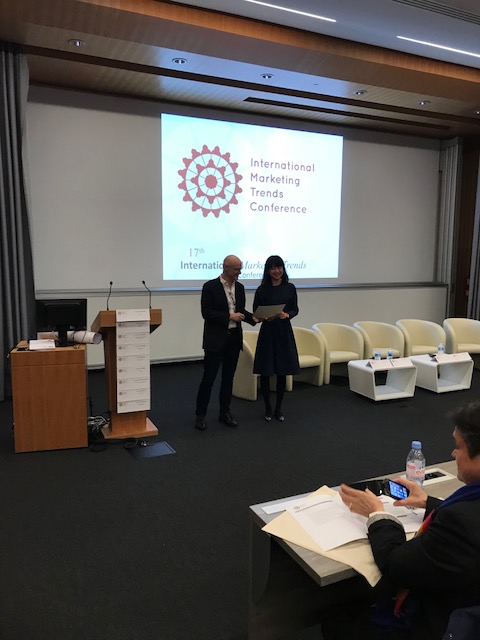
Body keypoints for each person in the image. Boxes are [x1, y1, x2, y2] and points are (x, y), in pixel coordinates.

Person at [330, 401, 480, 640]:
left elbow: (395, 565)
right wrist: (429, 503)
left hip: (440, 623)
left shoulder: (458, 523)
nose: (453, 454)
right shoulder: (467, 510)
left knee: (340, 618)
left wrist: (377, 514)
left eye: (458, 447)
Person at [194, 255, 256, 431]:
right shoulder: (210, 287)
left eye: (240, 269)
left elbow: (241, 311)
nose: (239, 272)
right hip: (215, 339)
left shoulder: (240, 287)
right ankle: (200, 415)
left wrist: (254, 318)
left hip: (234, 338)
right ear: (225, 267)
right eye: (236, 269)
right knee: (209, 378)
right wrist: (229, 316)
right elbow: (207, 313)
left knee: (228, 378)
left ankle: (225, 412)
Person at [253, 255, 300, 422]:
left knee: (282, 371)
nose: (276, 271)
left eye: (279, 267)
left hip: (283, 331)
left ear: (283, 269)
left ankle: (278, 408)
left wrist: (287, 315)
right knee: (266, 371)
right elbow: (256, 312)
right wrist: (264, 317)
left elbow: (295, 309)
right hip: (268, 331)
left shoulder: (290, 287)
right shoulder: (262, 290)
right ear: (267, 271)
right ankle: (267, 408)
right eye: (273, 268)